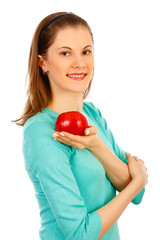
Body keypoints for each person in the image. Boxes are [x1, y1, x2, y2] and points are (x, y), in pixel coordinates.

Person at [12, 11, 148, 240]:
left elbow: (137, 194)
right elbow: (80, 234)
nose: (79, 63)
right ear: (42, 62)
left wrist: (96, 145)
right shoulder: (42, 133)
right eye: (65, 53)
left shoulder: (92, 113)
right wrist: (136, 184)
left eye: (86, 51)